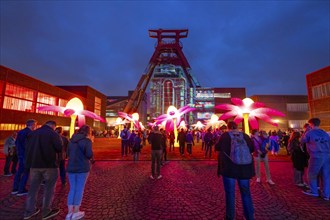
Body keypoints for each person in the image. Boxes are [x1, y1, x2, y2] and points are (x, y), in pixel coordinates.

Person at [23, 120, 63, 220]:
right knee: (49, 188)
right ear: (53, 126)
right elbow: (59, 148)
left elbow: (27, 148)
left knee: (33, 188)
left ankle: (29, 211)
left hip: (34, 165)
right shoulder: (53, 134)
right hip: (49, 165)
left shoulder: (33, 133)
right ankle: (46, 211)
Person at [217, 121, 255, 220]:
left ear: (228, 127)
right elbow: (252, 148)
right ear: (237, 127)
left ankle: (230, 217)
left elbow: (217, 147)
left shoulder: (225, 136)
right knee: (246, 193)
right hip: (244, 169)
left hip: (230, 170)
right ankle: (249, 216)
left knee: (230, 193)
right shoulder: (245, 136)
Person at [66, 125, 94, 220]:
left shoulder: (71, 141)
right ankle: (76, 212)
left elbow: (68, 154)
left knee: (72, 188)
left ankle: (69, 212)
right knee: (79, 189)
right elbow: (89, 155)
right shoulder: (87, 141)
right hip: (82, 167)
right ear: (88, 132)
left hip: (71, 167)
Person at [301, 118, 330, 200]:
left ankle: (314, 191)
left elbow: (302, 140)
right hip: (327, 155)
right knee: (326, 175)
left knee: (312, 174)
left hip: (316, 155)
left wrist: (306, 131)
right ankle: (326, 194)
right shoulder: (325, 133)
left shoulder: (309, 133)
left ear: (311, 124)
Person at [12, 119, 37, 196]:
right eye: (35, 125)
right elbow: (29, 145)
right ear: (32, 125)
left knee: (19, 172)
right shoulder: (30, 133)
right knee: (26, 172)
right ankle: (21, 189)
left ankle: (15, 188)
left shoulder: (20, 132)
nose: (35, 127)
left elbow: (16, 143)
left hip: (20, 154)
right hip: (26, 155)